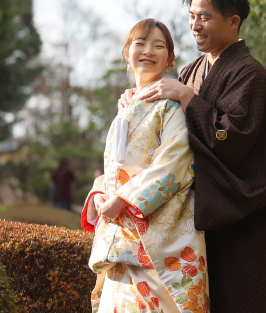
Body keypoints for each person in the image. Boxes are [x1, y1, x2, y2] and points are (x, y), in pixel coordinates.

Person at [125, 0, 266, 313]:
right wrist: (134, 99)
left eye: (204, 16)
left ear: (233, 21)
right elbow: (167, 127)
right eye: (192, 15)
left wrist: (188, 97)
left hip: (249, 223)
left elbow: (232, 141)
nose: (195, 25)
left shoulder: (250, 74)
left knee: (245, 300)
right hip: (208, 218)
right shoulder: (191, 71)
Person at [83, 19, 208, 313]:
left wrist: (123, 200)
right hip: (122, 237)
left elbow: (174, 165)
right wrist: (100, 194)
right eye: (140, 43)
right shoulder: (126, 108)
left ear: (170, 60)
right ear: (127, 53)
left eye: (159, 45)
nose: (148, 51)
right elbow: (114, 169)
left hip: (158, 236)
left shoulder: (171, 106)